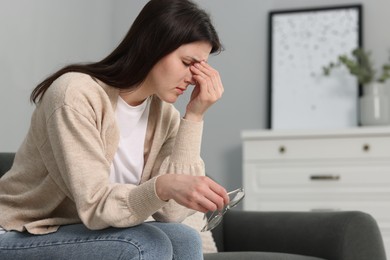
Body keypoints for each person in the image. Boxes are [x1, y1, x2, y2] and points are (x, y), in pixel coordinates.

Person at [0, 0, 229, 259]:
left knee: (185, 238)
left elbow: (172, 215)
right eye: (188, 63)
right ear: (153, 47)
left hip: (80, 234)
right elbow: (95, 205)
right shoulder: (76, 94)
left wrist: (195, 116)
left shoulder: (165, 116)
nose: (194, 78)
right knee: (146, 243)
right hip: (19, 233)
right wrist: (163, 186)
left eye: (202, 68)